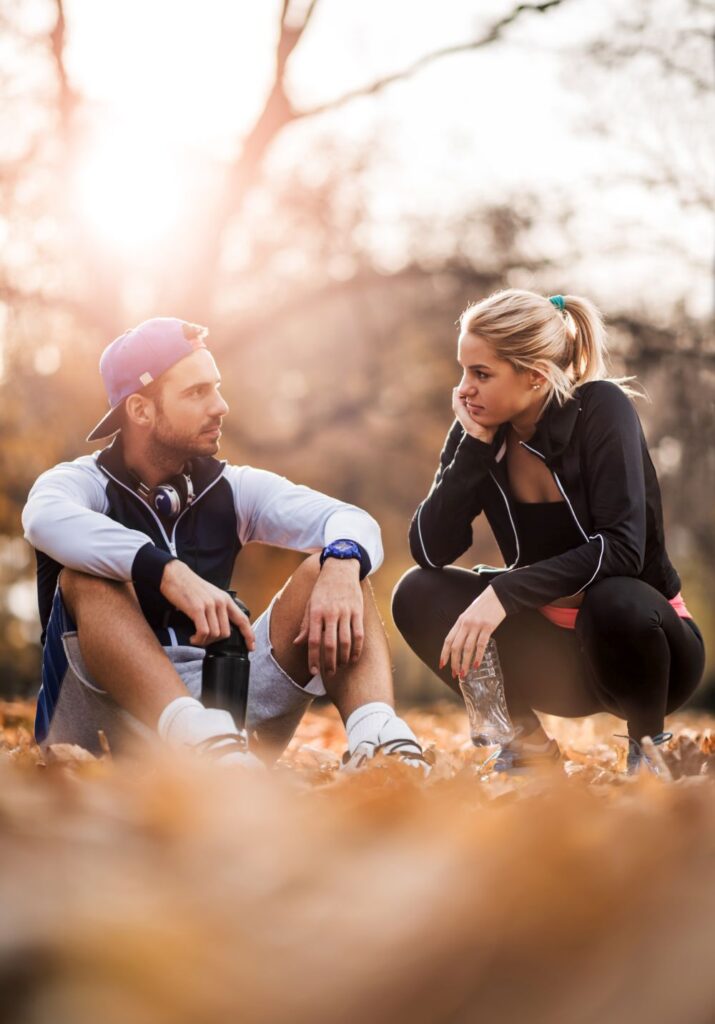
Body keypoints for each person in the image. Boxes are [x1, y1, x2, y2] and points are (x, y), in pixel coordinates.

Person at [23, 317, 429, 771]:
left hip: (225, 730)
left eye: (215, 387)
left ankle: (378, 738)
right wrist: (166, 571)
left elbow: (351, 520)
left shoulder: (233, 488)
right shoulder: (81, 482)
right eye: (196, 393)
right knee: (84, 578)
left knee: (334, 566)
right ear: (140, 410)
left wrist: (341, 563)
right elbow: (43, 519)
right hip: (100, 726)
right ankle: (195, 736)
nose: (221, 406)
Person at [392, 290, 705, 774]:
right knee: (416, 592)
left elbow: (622, 550)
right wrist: (472, 450)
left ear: (535, 376)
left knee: (615, 596)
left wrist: (502, 593)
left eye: (481, 374)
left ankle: (649, 751)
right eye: (463, 371)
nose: (463, 390)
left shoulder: (600, 409)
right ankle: (524, 746)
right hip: (553, 659)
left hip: (644, 652)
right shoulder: (479, 429)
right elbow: (431, 549)